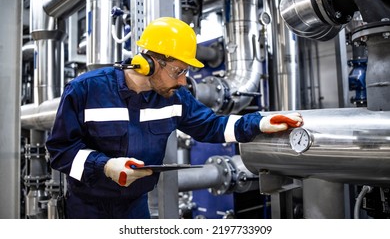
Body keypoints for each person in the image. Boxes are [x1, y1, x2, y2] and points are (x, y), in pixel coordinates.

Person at [46, 16, 303, 219]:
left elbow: (212, 126)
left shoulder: (175, 97)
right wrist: (104, 166)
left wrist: (259, 122)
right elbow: (60, 150)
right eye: (178, 71)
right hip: (87, 209)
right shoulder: (87, 89)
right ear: (149, 62)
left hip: (135, 209)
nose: (183, 81)